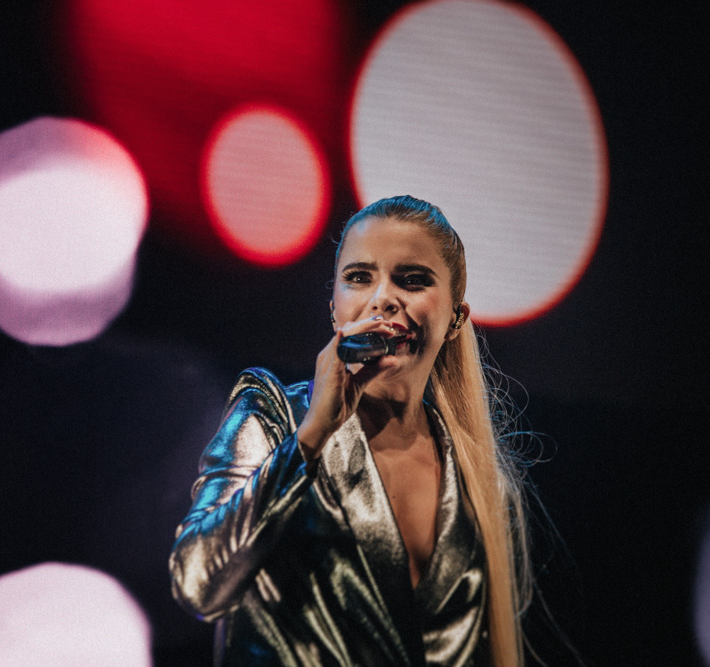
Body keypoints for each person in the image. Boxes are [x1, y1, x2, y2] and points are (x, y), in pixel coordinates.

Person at [170, 195, 533, 665]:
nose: (382, 297)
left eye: (413, 280)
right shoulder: (274, 416)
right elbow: (197, 582)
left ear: (455, 320)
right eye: (359, 277)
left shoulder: (482, 484)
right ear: (335, 310)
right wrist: (311, 437)